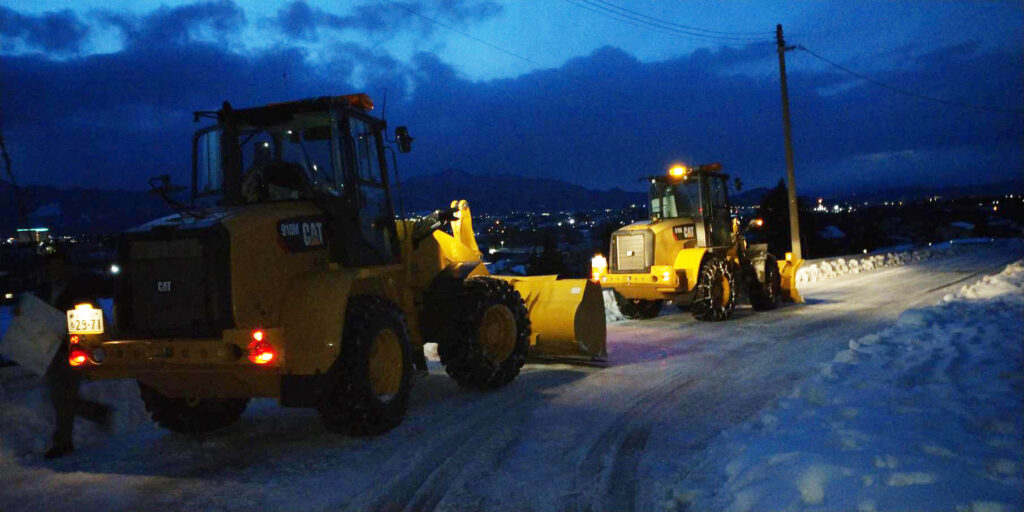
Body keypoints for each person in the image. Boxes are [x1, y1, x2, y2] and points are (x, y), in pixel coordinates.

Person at [29, 244, 112, 459]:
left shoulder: (79, 288)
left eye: (58, 266)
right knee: (60, 397)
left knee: (62, 396)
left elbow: (94, 316)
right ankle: (95, 413)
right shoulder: (45, 289)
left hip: (72, 348)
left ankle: (63, 442)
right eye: (51, 266)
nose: (54, 270)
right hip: (49, 348)